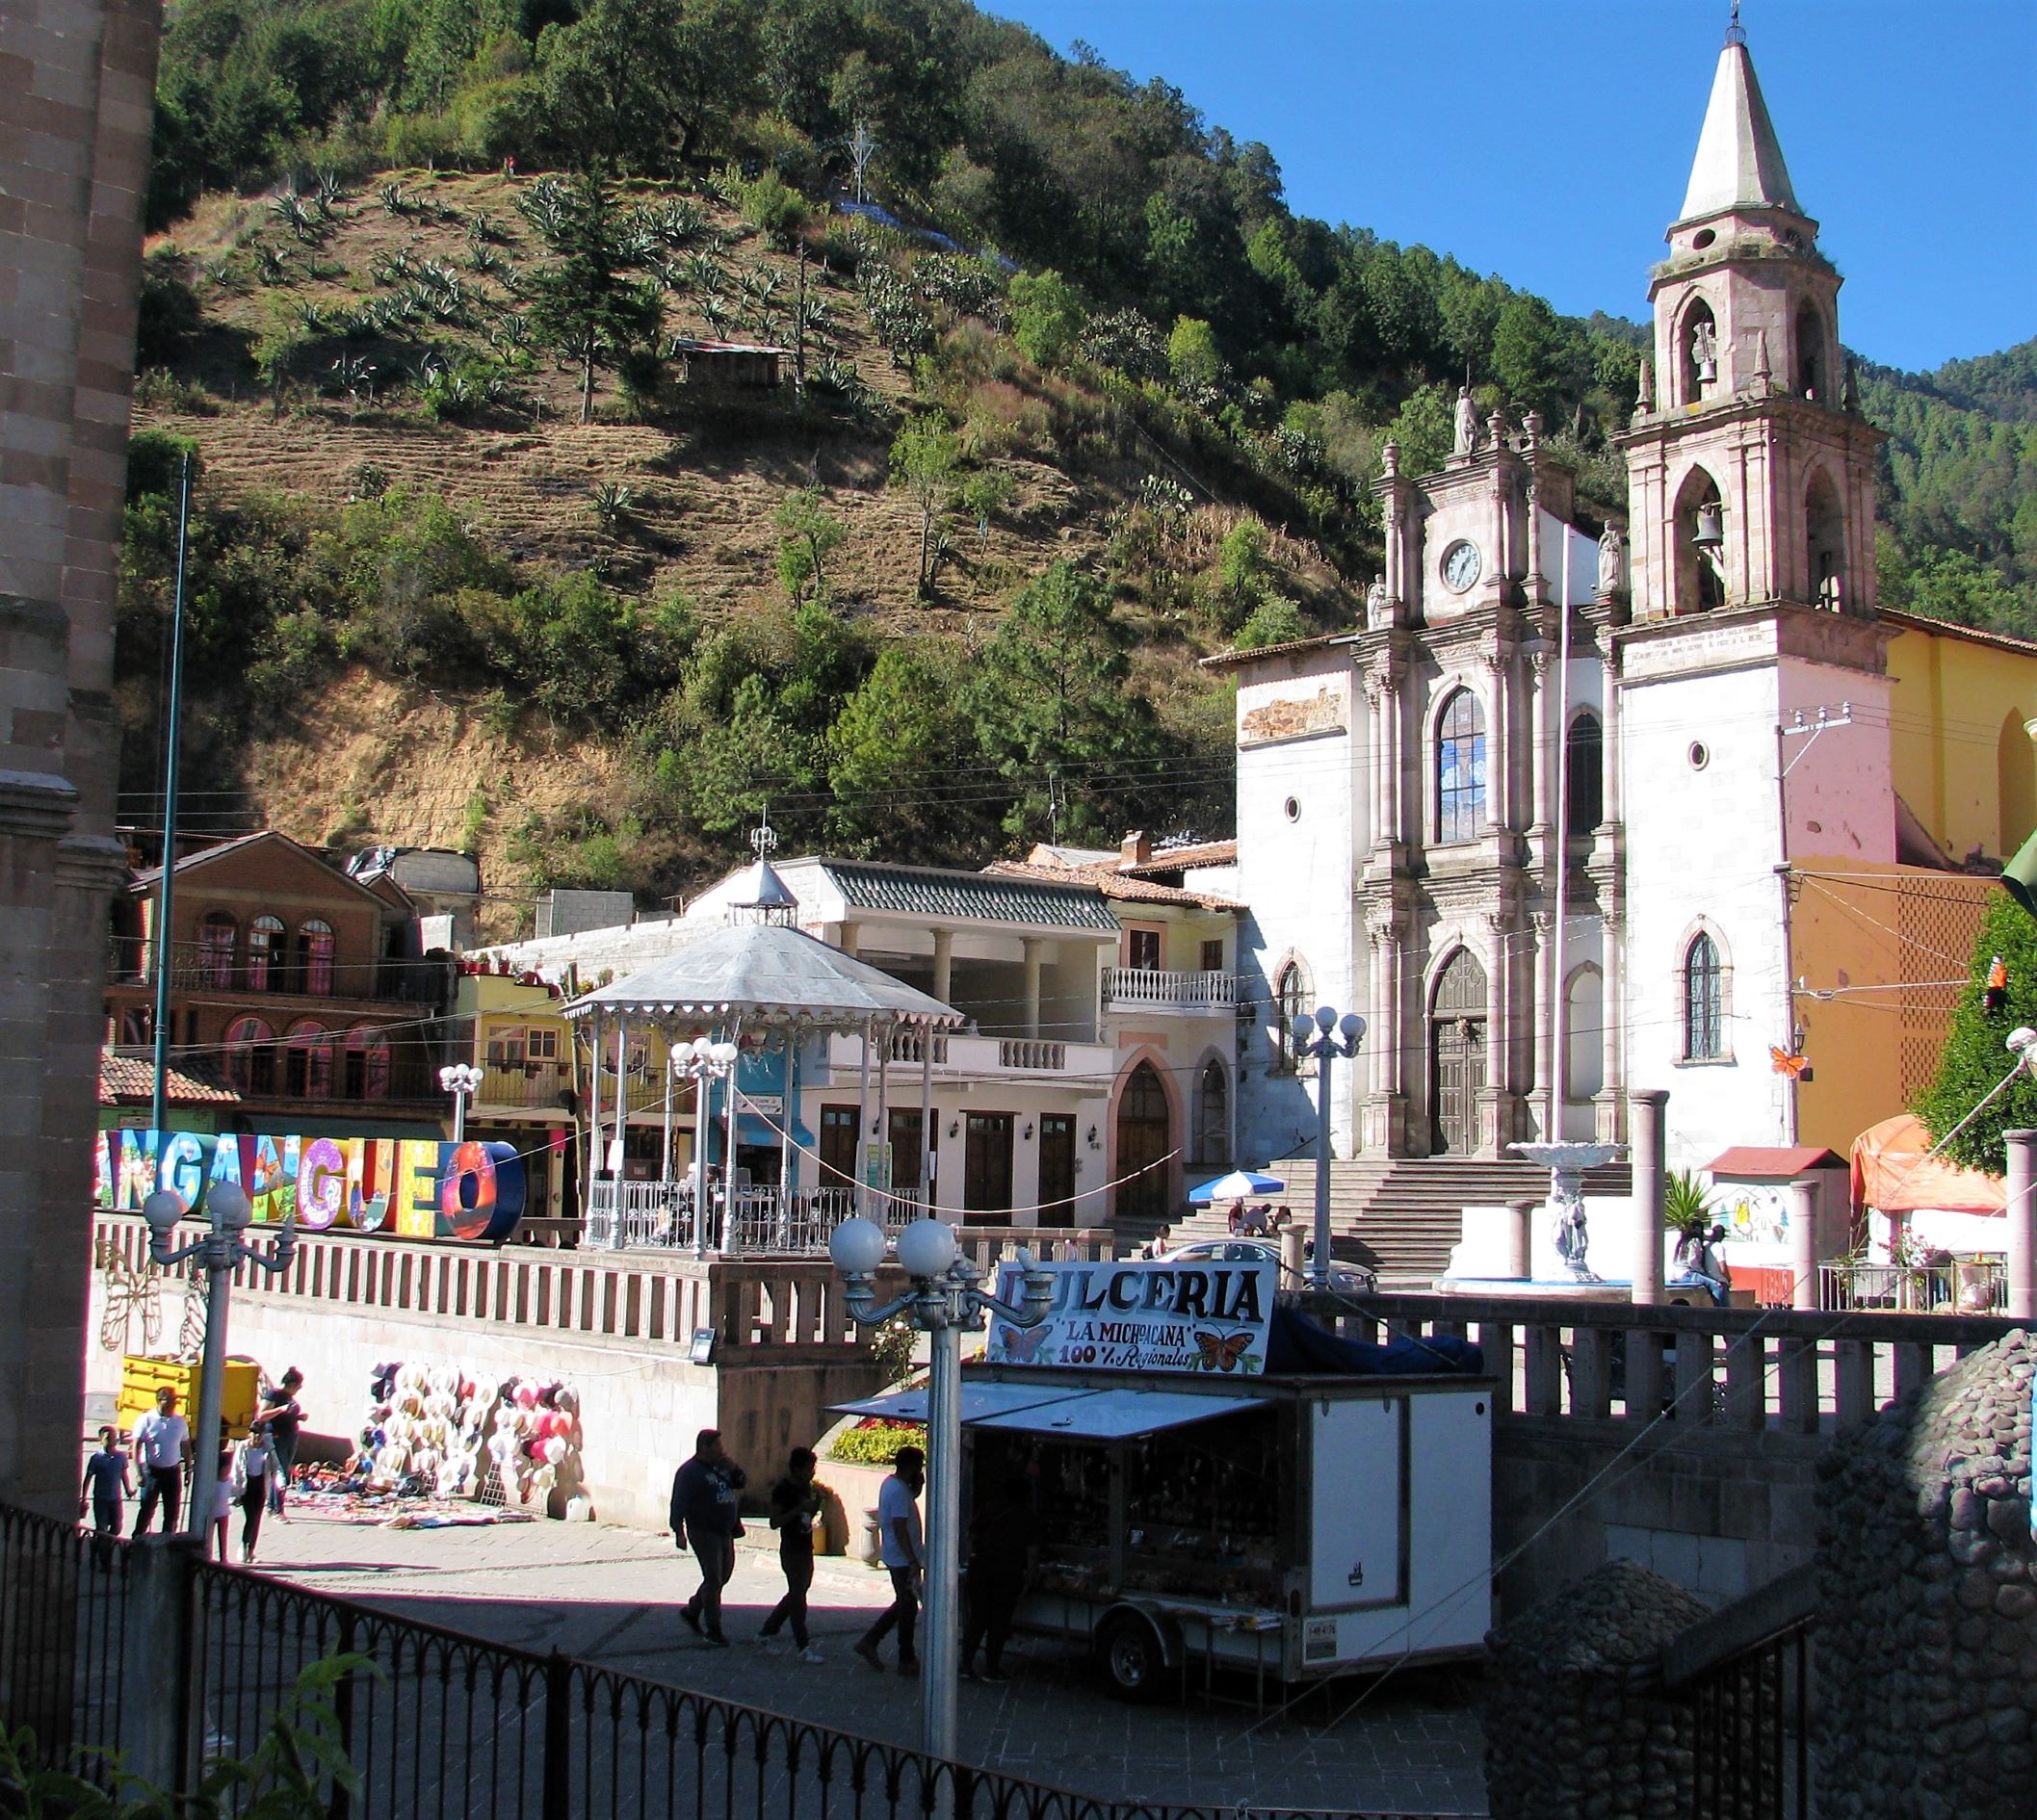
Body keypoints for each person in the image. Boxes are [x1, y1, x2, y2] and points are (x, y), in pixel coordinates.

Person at [670, 1428, 745, 1647]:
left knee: (724, 1575)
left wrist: (733, 1467)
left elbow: (741, 1482)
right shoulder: (689, 1472)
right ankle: (714, 1628)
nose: (721, 1450)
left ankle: (693, 1609)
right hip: (704, 1530)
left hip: (725, 1530)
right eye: (717, 1446)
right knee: (713, 1578)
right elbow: (679, 1502)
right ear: (705, 1448)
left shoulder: (721, 1467)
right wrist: (678, 1531)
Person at [854, 1444, 924, 1676]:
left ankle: (873, 1641)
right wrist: (912, 1560)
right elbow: (900, 1526)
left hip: (898, 1556)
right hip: (901, 1558)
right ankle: (904, 1657)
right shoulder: (897, 1490)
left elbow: (904, 1505)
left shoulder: (894, 1486)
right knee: (907, 1606)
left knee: (905, 1604)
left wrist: (917, 1489)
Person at [960, 1474, 1035, 1683]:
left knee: (978, 1618)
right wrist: (1030, 1576)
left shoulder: (989, 1508)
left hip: (980, 1569)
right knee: (999, 1621)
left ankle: (966, 1664)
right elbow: (1032, 1551)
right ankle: (991, 1668)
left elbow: (971, 1536)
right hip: (1008, 1572)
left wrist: (972, 1558)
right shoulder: (1027, 1516)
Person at [757, 1446, 823, 1663]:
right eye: (808, 1469)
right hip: (791, 1549)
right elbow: (775, 1522)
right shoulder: (783, 1490)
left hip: (806, 1546)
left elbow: (806, 1514)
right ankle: (802, 1645)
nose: (811, 1473)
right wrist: (798, 1509)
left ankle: (767, 1631)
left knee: (798, 1591)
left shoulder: (805, 1487)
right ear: (796, 1469)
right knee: (798, 1598)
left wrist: (816, 1504)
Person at [131, 1386, 190, 1535]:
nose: (173, 1404)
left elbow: (186, 1446)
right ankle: (137, 1540)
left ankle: (167, 1541)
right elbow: (135, 1447)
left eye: (175, 1401)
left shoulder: (179, 1421)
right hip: (152, 1472)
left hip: (172, 1472)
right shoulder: (146, 1420)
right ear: (161, 1401)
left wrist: (188, 1469)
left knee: (172, 1511)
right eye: (170, 1401)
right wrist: (138, 1472)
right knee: (147, 1509)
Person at [80, 1426, 132, 1570]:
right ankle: (104, 1561)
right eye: (108, 1438)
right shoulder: (96, 1458)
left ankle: (98, 1545)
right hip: (101, 1499)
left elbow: (123, 1475)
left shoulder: (121, 1457)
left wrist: (128, 1490)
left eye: (114, 1437)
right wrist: (83, 1498)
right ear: (101, 1440)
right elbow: (88, 1478)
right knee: (102, 1529)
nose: (112, 1441)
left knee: (116, 1527)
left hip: (115, 1499)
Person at [260, 1368, 304, 1519]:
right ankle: (278, 1509)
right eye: (299, 1385)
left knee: (283, 1471)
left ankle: (273, 1506)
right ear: (292, 1384)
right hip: (277, 1438)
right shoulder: (274, 1394)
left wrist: (298, 1417)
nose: (300, 1388)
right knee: (281, 1472)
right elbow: (262, 1415)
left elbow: (287, 1416)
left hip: (290, 1436)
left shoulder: (289, 1397)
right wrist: (281, 1409)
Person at [233, 1421, 275, 1563]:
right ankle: (243, 1545)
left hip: (260, 1485)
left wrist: (280, 1483)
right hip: (247, 1485)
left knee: (256, 1519)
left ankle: (251, 1551)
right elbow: (237, 1470)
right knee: (250, 1518)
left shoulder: (267, 1449)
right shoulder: (243, 1447)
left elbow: (276, 1467)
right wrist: (236, 1493)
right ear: (249, 1433)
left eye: (260, 1434)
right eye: (255, 1433)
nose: (257, 1437)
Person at [208, 1442, 235, 1562]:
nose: (228, 1470)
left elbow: (234, 1492)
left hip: (224, 1513)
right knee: (209, 1537)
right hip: (212, 1513)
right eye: (226, 1468)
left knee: (223, 1537)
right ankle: (207, 1555)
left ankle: (223, 1557)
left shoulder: (230, 1481)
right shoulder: (212, 1482)